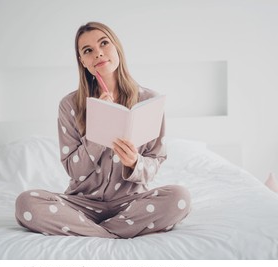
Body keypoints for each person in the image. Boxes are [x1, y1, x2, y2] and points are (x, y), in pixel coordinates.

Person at [15, 22, 190, 238]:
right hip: (81, 204)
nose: (98, 54)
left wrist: (135, 162)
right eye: (88, 50)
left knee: (179, 198)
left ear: (116, 48)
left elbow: (155, 159)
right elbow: (74, 170)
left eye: (104, 44)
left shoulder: (149, 101)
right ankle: (112, 235)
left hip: (131, 203)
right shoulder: (69, 105)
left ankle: (96, 233)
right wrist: (99, 124)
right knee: (26, 203)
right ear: (83, 61)